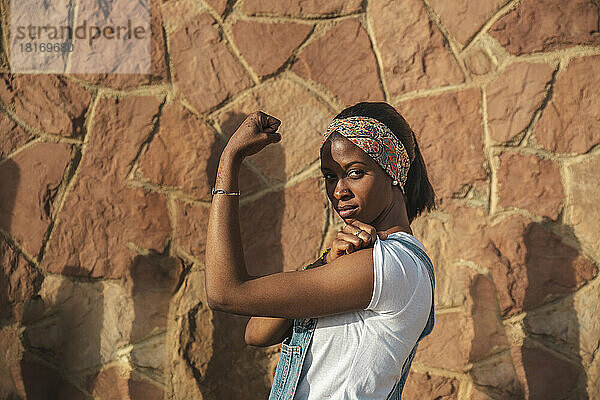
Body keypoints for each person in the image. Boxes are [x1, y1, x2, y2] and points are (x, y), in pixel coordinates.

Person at [205, 102, 436, 399]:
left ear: (393, 171)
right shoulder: (376, 260)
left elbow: (225, 292)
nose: (339, 190)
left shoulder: (389, 265)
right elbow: (257, 332)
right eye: (330, 176)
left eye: (355, 172)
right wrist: (324, 262)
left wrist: (230, 160)